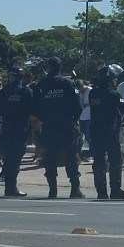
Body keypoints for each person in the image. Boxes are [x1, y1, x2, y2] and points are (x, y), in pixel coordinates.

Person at [31, 56, 85, 199]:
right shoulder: (67, 83)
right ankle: (75, 189)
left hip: (49, 127)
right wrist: (73, 120)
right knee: (71, 158)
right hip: (67, 126)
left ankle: (52, 190)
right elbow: (78, 106)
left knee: (50, 159)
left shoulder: (41, 84)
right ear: (60, 67)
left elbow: (34, 108)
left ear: (47, 68)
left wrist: (43, 120)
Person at [88, 64, 124, 200]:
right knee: (115, 161)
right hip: (110, 133)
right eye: (114, 79)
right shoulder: (114, 94)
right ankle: (115, 190)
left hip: (96, 132)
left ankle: (101, 192)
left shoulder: (93, 93)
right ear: (109, 79)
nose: (115, 81)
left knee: (99, 162)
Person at [0, 66, 36, 197]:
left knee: (8, 158)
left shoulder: (4, 91)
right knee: (15, 160)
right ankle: (11, 188)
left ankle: (9, 186)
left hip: (6, 128)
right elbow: (32, 110)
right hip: (20, 130)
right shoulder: (26, 91)